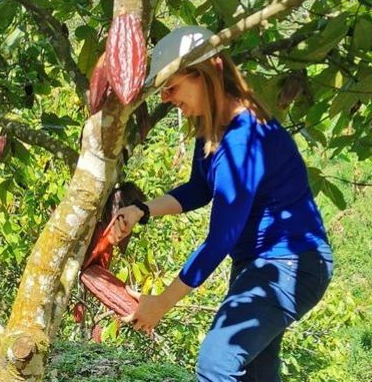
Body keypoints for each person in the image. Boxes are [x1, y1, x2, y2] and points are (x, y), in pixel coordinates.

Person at [111, 26, 334, 381]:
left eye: (171, 87)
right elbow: (199, 189)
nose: (166, 99)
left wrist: (161, 303)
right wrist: (144, 210)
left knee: (217, 364)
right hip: (258, 265)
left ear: (207, 73)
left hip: (290, 264)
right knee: (255, 374)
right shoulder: (212, 131)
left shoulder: (243, 140)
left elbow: (221, 239)